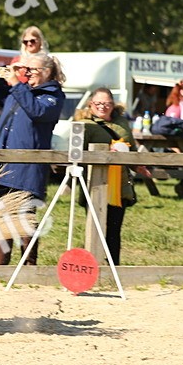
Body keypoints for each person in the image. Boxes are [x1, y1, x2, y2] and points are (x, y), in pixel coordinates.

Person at [0, 52, 67, 265]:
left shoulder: (53, 96)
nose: (27, 73)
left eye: (32, 69)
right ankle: (0, 268)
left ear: (46, 72)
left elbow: (37, 111)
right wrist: (7, 69)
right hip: (5, 164)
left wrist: (17, 83)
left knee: (25, 217)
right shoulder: (19, 90)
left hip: (28, 168)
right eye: (27, 69)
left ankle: (29, 267)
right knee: (2, 216)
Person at [76, 87, 137, 264]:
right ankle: (92, 266)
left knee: (114, 229)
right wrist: (105, 154)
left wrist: (139, 165)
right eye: (98, 103)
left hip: (120, 185)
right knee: (94, 229)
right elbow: (77, 154)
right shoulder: (84, 124)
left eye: (107, 103)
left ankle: (113, 268)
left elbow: (131, 148)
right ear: (91, 104)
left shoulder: (122, 123)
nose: (103, 107)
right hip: (95, 185)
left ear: (113, 105)